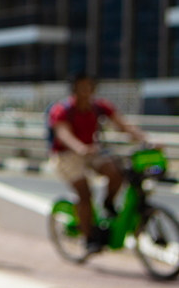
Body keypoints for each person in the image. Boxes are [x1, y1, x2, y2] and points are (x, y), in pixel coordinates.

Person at [48, 74, 150, 252]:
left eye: (89, 87)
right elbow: (63, 133)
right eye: (82, 88)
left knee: (116, 173)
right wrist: (79, 147)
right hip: (67, 155)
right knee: (85, 193)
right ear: (74, 90)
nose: (86, 92)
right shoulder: (62, 110)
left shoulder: (99, 107)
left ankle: (108, 204)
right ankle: (89, 238)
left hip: (91, 151)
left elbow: (123, 125)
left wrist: (146, 140)